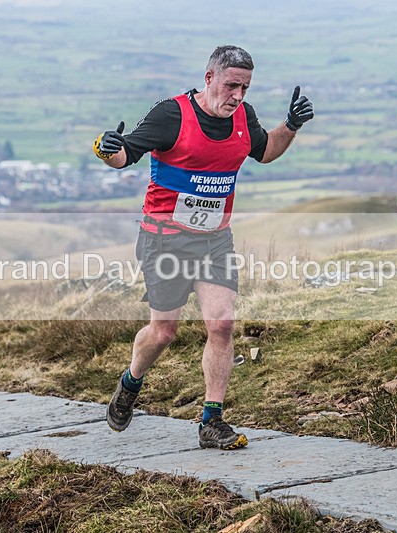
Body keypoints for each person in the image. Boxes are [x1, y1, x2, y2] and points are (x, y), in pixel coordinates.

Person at [93, 45, 313, 450]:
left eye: (245, 87)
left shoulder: (244, 117)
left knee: (222, 324)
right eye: (231, 85)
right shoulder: (171, 114)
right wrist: (105, 148)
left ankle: (212, 421)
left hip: (214, 240)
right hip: (165, 242)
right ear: (209, 78)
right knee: (163, 332)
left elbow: (265, 152)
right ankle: (130, 383)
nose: (238, 96)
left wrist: (291, 126)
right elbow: (125, 155)